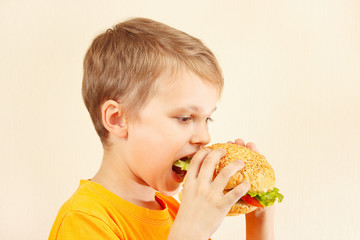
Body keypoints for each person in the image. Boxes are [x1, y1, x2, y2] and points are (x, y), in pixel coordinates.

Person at [49, 17, 275, 240]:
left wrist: (259, 216)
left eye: (207, 119)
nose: (204, 137)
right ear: (118, 119)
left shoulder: (176, 211)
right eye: (185, 118)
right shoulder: (85, 219)